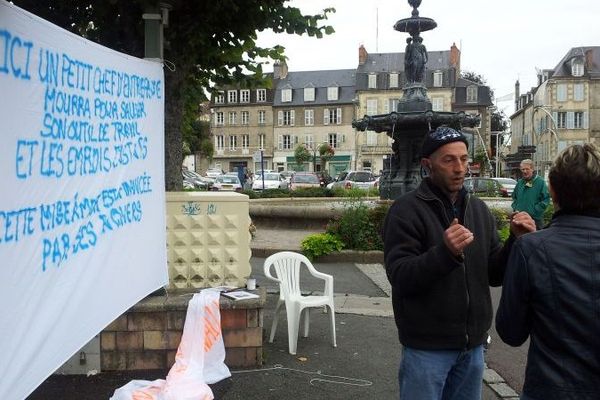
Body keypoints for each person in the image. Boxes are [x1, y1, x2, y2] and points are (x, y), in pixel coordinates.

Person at [383, 126, 535, 400]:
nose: (459, 168)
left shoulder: (478, 209)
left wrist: (515, 241)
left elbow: (494, 274)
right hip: (426, 349)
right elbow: (401, 276)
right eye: (449, 160)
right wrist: (445, 252)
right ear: (428, 165)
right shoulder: (405, 211)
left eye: (464, 159)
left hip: (473, 348)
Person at [496, 143, 600, 400]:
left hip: (550, 388)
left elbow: (510, 332)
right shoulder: (532, 246)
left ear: (552, 189)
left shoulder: (530, 250)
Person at [511, 159, 550, 229]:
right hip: (520, 218)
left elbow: (546, 199)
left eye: (527, 169)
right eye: (523, 169)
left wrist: (535, 211)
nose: (525, 171)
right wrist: (516, 208)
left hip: (535, 220)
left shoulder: (540, 182)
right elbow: (514, 197)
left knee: (536, 239)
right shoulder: (520, 183)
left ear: (532, 169)